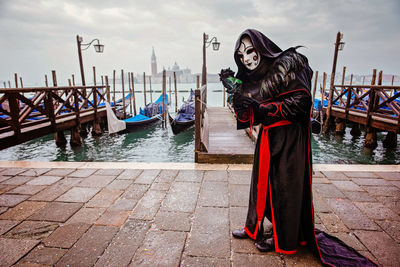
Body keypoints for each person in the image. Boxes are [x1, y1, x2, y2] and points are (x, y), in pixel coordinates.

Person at [227, 29, 377, 266]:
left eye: (250, 51)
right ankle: (254, 226)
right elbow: (248, 116)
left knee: (284, 185)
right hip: (268, 136)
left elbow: (302, 103)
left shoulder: (290, 66)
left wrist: (264, 109)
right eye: (241, 55)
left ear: (262, 48)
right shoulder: (253, 78)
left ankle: (283, 236)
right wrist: (236, 95)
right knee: (260, 182)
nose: (246, 59)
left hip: (290, 137)